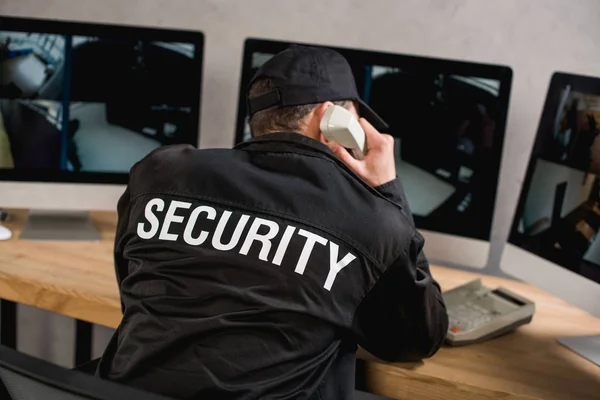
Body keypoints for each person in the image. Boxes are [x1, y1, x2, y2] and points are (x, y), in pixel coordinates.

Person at [96, 45, 448, 400]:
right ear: (332, 120)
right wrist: (387, 193)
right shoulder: (369, 220)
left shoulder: (159, 173)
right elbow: (417, 338)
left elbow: (134, 287)